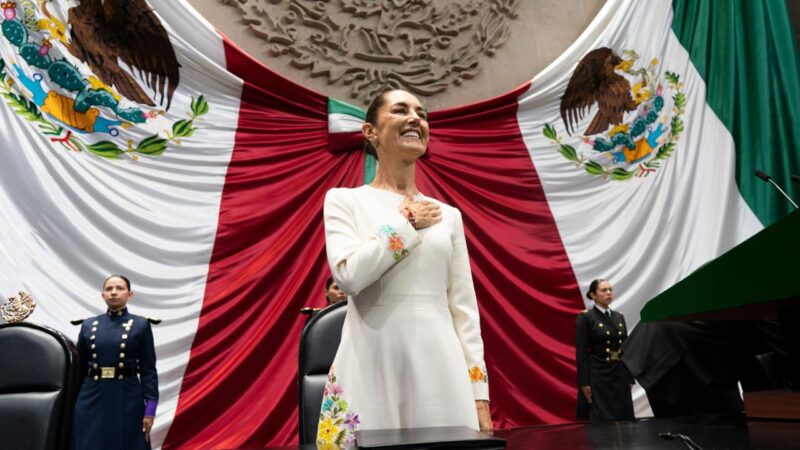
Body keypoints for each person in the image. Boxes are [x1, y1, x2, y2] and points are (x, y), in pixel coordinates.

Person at [318, 89, 491, 447]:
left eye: (421, 114)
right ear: (370, 132)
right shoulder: (344, 200)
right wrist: (406, 224)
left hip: (441, 366)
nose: (415, 118)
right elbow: (349, 276)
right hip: (371, 361)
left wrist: (479, 393)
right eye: (400, 110)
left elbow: (464, 311)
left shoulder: (449, 216)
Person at [72, 275, 159, 450]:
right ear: (102, 295)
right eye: (109, 289)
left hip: (127, 395)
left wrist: (150, 410)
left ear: (129, 294)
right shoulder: (88, 325)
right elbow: (78, 369)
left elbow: (148, 370)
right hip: (91, 395)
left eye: (119, 288)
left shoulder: (141, 325)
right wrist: (72, 404)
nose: (113, 292)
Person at [575, 279, 634, 421]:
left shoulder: (619, 316)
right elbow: (581, 352)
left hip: (619, 372)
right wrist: (584, 382)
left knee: (624, 417)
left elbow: (625, 348)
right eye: (604, 290)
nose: (609, 293)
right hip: (599, 374)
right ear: (593, 295)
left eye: (610, 289)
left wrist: (629, 376)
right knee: (603, 418)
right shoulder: (586, 317)